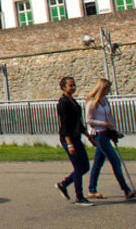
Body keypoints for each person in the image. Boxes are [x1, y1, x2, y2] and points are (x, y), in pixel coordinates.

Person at [84, 79, 136, 200]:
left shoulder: (105, 101)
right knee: (115, 161)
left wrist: (114, 130)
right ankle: (126, 189)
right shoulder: (92, 102)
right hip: (98, 134)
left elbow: (110, 117)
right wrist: (104, 124)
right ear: (102, 88)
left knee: (98, 163)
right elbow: (88, 120)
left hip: (106, 133)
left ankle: (91, 189)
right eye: (107, 88)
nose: (109, 91)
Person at [53, 77, 92, 206]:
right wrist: (69, 143)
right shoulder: (63, 103)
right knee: (78, 167)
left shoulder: (73, 101)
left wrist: (88, 136)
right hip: (68, 138)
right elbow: (64, 125)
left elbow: (78, 122)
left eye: (74, 85)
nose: (73, 87)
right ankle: (79, 197)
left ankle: (63, 184)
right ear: (64, 87)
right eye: (70, 85)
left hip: (76, 137)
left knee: (85, 166)